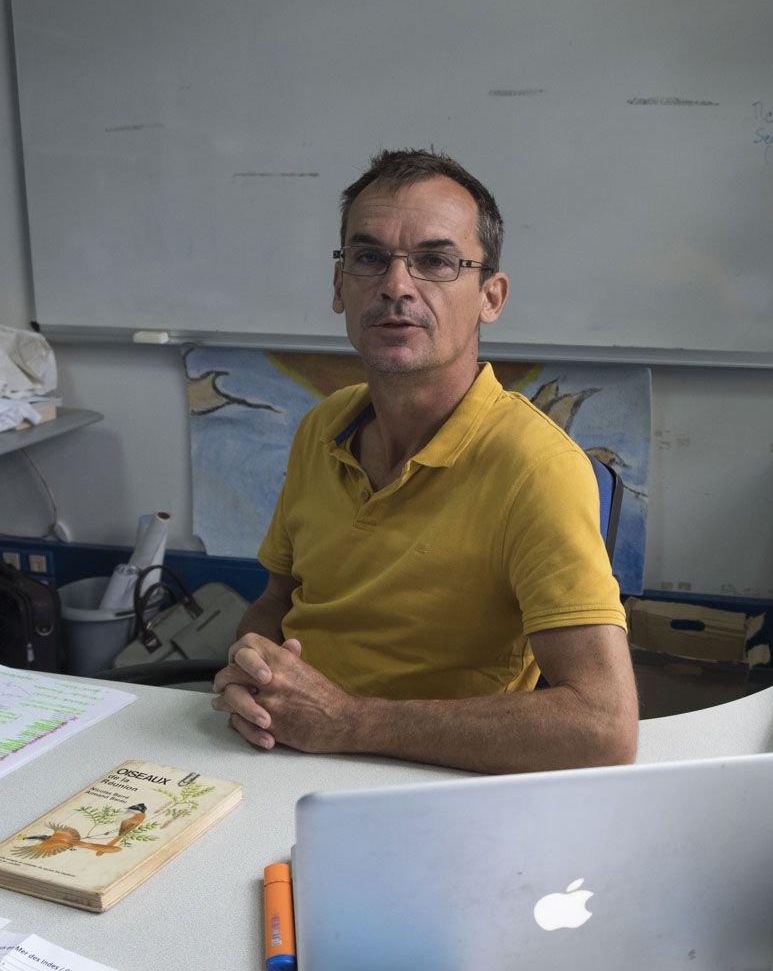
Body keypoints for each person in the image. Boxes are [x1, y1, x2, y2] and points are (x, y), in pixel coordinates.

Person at [210, 149, 637, 774]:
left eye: (435, 261)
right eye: (369, 258)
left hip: (423, 778)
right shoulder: (322, 427)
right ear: (339, 286)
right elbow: (279, 597)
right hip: (283, 752)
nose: (395, 285)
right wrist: (253, 662)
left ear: (490, 296)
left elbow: (603, 728)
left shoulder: (536, 467)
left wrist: (350, 721)